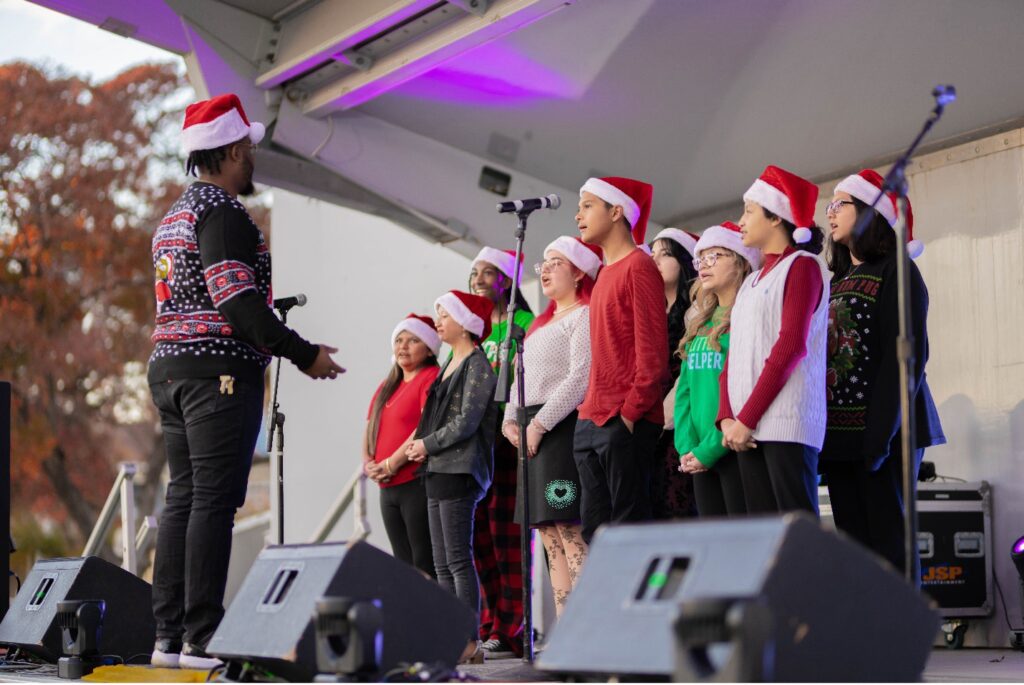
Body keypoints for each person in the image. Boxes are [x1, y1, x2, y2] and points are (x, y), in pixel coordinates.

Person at [148, 94, 344, 669]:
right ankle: (202, 636)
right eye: (249, 150)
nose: (252, 160)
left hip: (171, 366)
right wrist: (303, 352)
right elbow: (236, 299)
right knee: (211, 500)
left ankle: (168, 639)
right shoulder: (223, 214)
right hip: (215, 373)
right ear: (232, 150)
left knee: (183, 498)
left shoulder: (173, 217)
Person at [819, 169, 945, 578]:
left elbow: (905, 358)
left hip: (887, 431)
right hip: (841, 436)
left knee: (890, 541)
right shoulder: (838, 280)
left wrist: (881, 435)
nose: (830, 212)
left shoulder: (898, 270)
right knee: (853, 546)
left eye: (841, 204)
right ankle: (866, 636)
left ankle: (902, 638)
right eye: (830, 205)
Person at [717, 165, 829, 516]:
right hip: (745, 428)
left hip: (785, 424)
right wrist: (727, 418)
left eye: (749, 211)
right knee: (764, 537)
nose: (741, 221)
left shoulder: (802, 267)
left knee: (797, 535)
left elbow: (791, 346)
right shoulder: (750, 283)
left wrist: (745, 418)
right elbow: (732, 357)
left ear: (777, 218)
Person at [502, 236, 600, 618]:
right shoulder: (540, 324)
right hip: (530, 432)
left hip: (558, 431)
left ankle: (589, 625)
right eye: (543, 262)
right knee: (547, 535)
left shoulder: (583, 315)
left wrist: (540, 423)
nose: (544, 268)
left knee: (569, 528)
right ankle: (566, 626)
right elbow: (517, 379)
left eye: (555, 262)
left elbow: (580, 377)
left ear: (578, 272)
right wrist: (511, 419)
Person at [573, 176, 669, 544]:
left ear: (616, 211)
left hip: (623, 419)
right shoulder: (604, 274)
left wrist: (630, 413)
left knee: (628, 532)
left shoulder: (639, 267)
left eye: (587, 205)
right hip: (592, 417)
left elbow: (653, 355)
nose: (577, 215)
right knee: (594, 532)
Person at [406, 290, 497, 664]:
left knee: (458, 560)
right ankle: (450, 635)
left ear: (465, 323)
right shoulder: (447, 365)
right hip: (438, 468)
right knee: (442, 563)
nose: (438, 322)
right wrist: (418, 447)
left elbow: (466, 422)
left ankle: (469, 640)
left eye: (444, 315)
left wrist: (426, 444)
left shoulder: (476, 365)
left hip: (459, 467)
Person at [467, 247, 534, 657]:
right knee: (479, 538)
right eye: (474, 272)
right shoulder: (473, 331)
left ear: (506, 281)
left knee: (507, 536)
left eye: (487, 272)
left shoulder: (524, 323)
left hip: (508, 442)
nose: (477, 279)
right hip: (476, 445)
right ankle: (489, 620)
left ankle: (513, 627)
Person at [674, 222, 759, 516]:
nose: (703, 265)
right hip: (698, 454)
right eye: (701, 258)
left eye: (715, 256)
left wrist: (709, 450)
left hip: (730, 448)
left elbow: (743, 391)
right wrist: (686, 446)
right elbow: (685, 391)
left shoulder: (746, 317)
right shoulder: (699, 323)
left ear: (740, 261)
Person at [362, 314, 441, 578]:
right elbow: (371, 425)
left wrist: (391, 463)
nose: (403, 346)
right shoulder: (388, 385)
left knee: (423, 560)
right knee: (402, 563)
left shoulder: (430, 377)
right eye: (399, 340)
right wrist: (368, 464)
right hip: (387, 487)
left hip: (414, 483)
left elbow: (424, 427)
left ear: (429, 349)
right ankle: (411, 617)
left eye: (413, 340)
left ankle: (432, 618)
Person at [649, 228, 701, 519]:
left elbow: (689, 372)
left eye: (665, 254)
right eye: (652, 253)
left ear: (684, 261)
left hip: (680, 421)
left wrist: (663, 415)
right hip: (648, 423)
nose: (655, 260)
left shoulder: (696, 311)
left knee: (677, 505)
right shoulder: (651, 311)